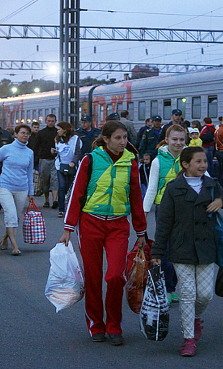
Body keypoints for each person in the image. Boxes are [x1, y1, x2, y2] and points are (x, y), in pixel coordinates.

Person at [59, 121, 147, 346]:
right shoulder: (90, 160)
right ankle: (96, 324)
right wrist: (68, 228)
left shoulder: (131, 163)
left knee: (115, 276)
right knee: (94, 277)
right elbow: (77, 192)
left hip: (118, 225)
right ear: (105, 139)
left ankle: (114, 325)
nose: (123, 142)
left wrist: (141, 231)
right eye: (117, 138)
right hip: (90, 223)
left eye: (125, 137)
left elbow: (136, 199)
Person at [150, 146, 223, 357]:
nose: (203, 165)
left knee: (206, 294)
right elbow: (164, 223)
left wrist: (222, 200)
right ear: (185, 164)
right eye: (198, 162)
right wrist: (157, 253)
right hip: (182, 248)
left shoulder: (211, 185)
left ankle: (197, 318)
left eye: (205, 162)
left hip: (207, 249)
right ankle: (189, 338)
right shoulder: (173, 188)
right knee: (188, 294)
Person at [143, 124, 188, 303]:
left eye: (181, 140)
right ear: (167, 140)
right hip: (164, 208)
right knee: (167, 250)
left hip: (187, 208)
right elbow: (152, 187)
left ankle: (174, 286)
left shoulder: (190, 156)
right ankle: (167, 288)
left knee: (183, 250)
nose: (178, 143)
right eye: (174, 139)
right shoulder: (158, 161)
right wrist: (144, 212)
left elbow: (203, 178)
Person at [0, 124, 34, 255]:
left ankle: (4, 238)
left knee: (16, 218)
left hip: (22, 188)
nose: (25, 135)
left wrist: (31, 192)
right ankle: (14, 246)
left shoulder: (30, 152)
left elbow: (29, 173)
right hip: (4, 186)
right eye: (23, 133)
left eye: (27, 134)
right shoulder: (6, 149)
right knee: (11, 214)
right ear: (16, 134)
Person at [53, 121, 83, 218]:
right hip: (60, 165)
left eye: (59, 129)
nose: (57, 131)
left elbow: (78, 152)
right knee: (61, 187)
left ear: (65, 130)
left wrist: (73, 162)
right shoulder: (57, 139)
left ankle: (70, 207)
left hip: (71, 166)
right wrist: (54, 152)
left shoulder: (75, 139)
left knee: (70, 188)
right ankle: (61, 209)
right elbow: (58, 152)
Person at [34, 114, 59, 209]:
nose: (51, 123)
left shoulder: (58, 132)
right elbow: (36, 147)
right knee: (45, 181)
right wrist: (35, 160)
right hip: (43, 159)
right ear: (46, 121)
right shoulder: (41, 133)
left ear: (55, 121)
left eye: (52, 121)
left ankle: (55, 200)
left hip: (55, 160)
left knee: (55, 180)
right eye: (49, 121)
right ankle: (46, 200)